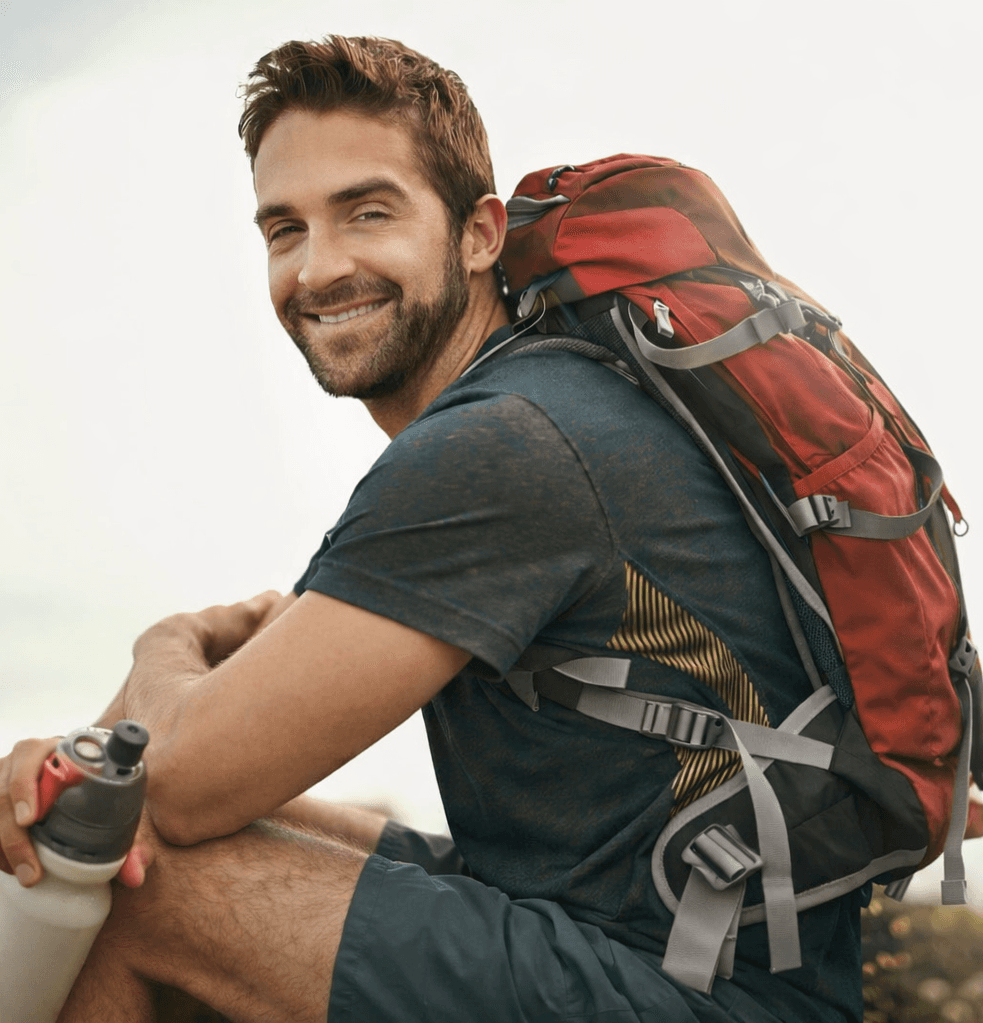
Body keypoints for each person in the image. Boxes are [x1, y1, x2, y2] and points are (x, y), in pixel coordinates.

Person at [0, 35, 864, 1023]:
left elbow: (178, 784)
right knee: (152, 833)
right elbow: (177, 783)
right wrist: (97, 773)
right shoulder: (558, 400)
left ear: (478, 234)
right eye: (283, 229)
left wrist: (164, 648)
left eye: (368, 212)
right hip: (668, 941)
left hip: (697, 992)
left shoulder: (505, 446)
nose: (317, 268)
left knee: (142, 881)